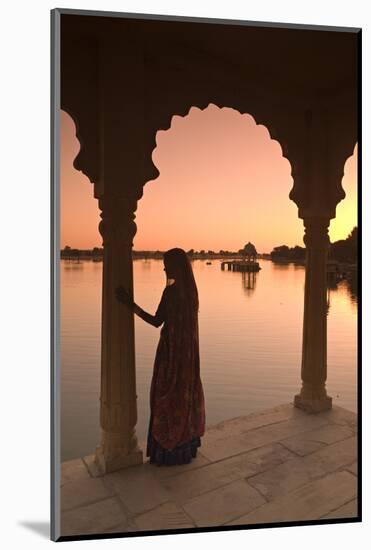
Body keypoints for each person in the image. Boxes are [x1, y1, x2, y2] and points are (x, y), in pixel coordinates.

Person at [115, 248, 206, 466]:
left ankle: (167, 450)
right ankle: (186, 446)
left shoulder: (172, 292)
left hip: (171, 354)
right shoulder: (192, 293)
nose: (164, 268)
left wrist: (130, 305)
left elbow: (157, 321)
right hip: (188, 356)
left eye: (167, 265)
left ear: (176, 267)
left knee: (165, 396)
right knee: (183, 396)